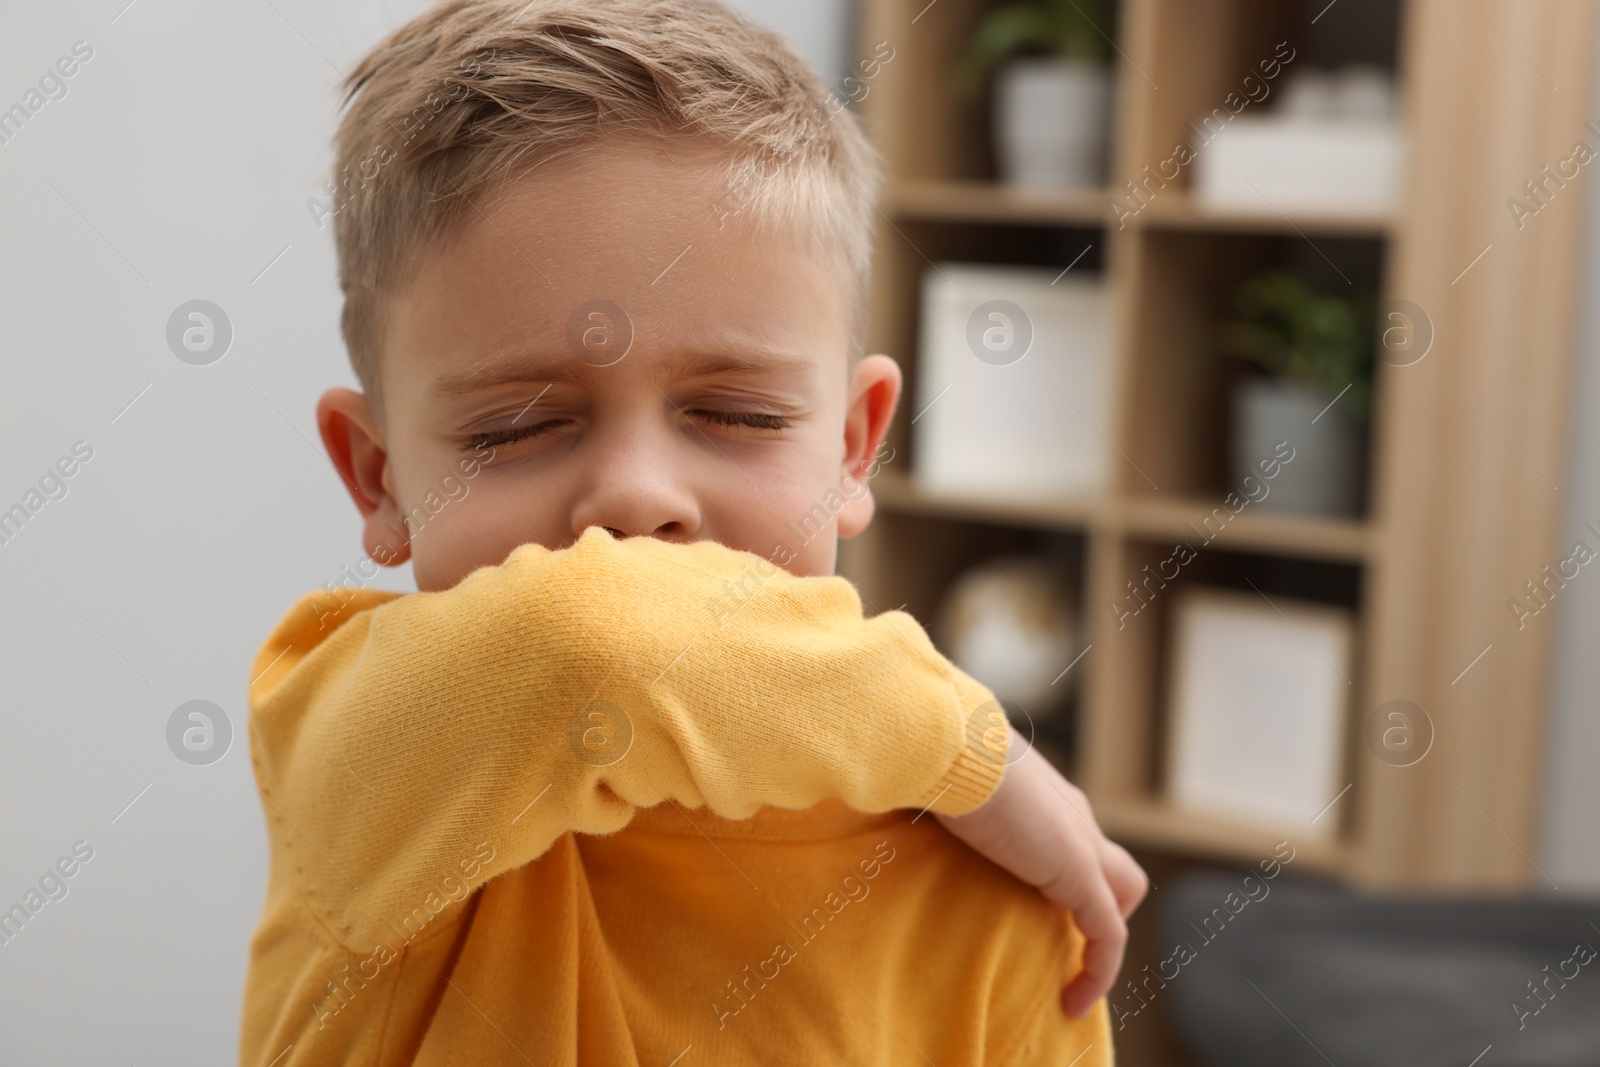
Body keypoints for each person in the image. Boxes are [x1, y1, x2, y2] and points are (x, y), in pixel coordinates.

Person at [239, 2, 1146, 1062]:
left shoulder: (997, 897)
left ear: (855, 447)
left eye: (738, 415)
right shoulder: (362, 748)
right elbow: (591, 644)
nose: (634, 495)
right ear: (379, 475)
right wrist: (972, 749)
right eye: (518, 427)